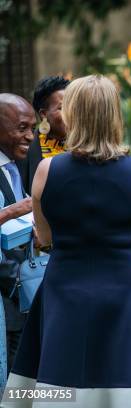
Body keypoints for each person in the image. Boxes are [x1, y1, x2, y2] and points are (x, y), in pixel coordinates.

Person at [1, 75, 131, 407]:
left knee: (61, 381)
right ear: (115, 115)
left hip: (65, 288)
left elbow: (44, 238)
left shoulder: (47, 170)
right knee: (130, 382)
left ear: (72, 115)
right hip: (124, 289)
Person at [0, 94, 36, 393]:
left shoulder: (14, 165)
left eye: (33, 128)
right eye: (22, 128)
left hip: (18, 292)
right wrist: (14, 211)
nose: (30, 136)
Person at [17, 76, 70, 195]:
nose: (72, 112)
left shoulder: (86, 145)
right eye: (62, 107)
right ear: (43, 114)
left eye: (74, 106)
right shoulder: (25, 147)